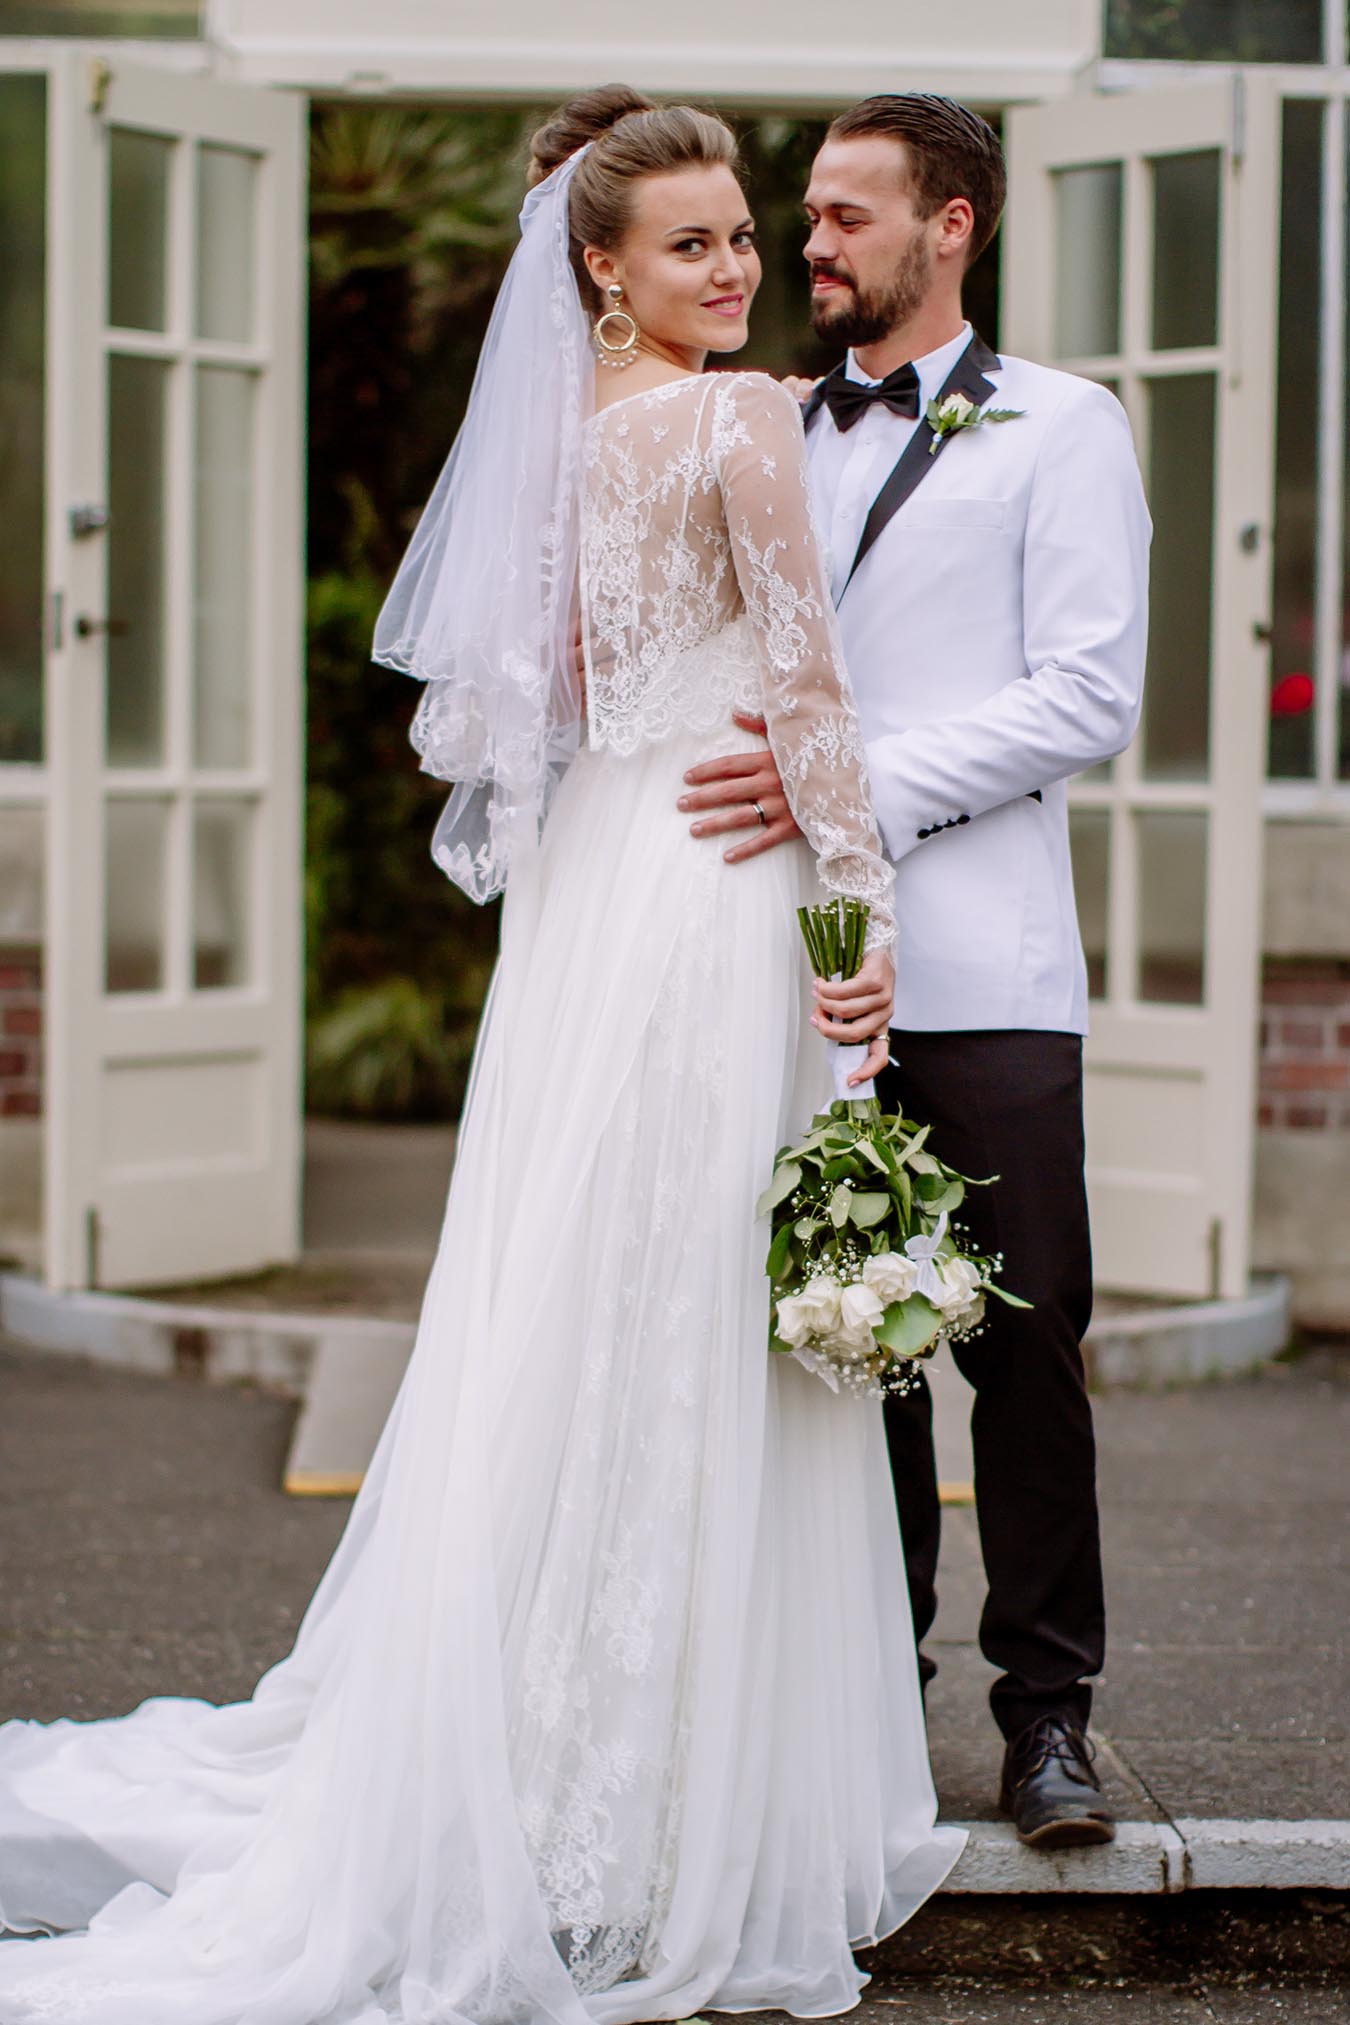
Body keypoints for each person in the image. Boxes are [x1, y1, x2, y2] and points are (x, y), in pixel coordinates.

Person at [0, 91, 965, 2023]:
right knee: (684, 1317)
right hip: (711, 908)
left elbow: (563, 713)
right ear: (597, 263)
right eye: (688, 242)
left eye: (741, 238)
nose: (732, 268)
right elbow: (808, 694)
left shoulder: (561, 447)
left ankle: (555, 1758)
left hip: (599, 904)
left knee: (586, 1311)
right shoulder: (743, 416)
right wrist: (861, 938)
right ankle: (659, 1796)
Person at [678, 93, 1151, 1849]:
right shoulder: (756, 426)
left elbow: (1085, 693)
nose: (808, 246)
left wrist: (848, 780)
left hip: (987, 963)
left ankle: (1048, 1721)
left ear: (952, 227)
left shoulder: (1063, 428)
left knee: (1024, 1348)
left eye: (847, 216)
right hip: (789, 965)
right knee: (839, 1351)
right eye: (805, 214)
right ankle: (867, 1692)